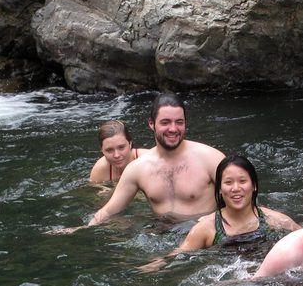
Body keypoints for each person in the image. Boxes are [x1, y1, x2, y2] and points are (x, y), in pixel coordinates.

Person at [140, 154, 301, 271]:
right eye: (228, 182)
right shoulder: (207, 228)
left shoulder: (275, 220)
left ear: (254, 186)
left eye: (243, 181)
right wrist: (159, 263)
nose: (236, 188)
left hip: (271, 279)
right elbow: (180, 254)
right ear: (220, 189)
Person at [87, 92, 226, 226]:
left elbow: (243, 199)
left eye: (179, 122)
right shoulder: (138, 168)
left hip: (204, 235)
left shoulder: (211, 159)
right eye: (165, 122)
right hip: (161, 232)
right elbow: (109, 210)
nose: (173, 129)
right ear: (151, 124)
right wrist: (82, 229)